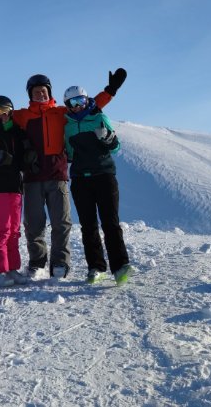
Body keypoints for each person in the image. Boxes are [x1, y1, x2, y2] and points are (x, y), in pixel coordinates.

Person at [12, 68, 126, 279]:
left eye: (43, 90)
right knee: (33, 224)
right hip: (32, 177)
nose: (40, 94)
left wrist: (110, 90)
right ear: (30, 95)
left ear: (49, 92)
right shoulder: (23, 115)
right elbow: (0, 112)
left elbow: (90, 106)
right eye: (36, 91)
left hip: (57, 175)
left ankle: (60, 263)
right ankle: (37, 263)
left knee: (61, 223)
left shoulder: (61, 113)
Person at [62, 85, 133, 285]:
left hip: (104, 175)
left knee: (110, 222)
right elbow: (69, 154)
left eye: (81, 101)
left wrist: (108, 138)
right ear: (68, 105)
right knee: (88, 226)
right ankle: (96, 267)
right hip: (80, 179)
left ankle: (120, 267)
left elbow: (115, 147)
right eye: (73, 103)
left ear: (87, 100)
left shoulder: (99, 118)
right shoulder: (67, 127)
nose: (77, 106)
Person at [0, 95, 36, 286]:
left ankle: (12, 268)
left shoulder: (18, 132)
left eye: (7, 111)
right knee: (3, 229)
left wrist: (29, 158)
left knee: (15, 230)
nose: (3, 114)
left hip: (15, 185)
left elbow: (23, 159)